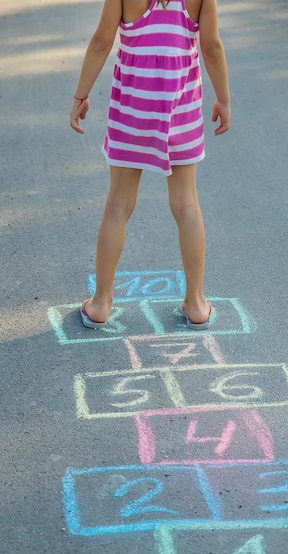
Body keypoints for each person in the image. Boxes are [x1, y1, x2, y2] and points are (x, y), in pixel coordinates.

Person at [69, 0, 231, 330]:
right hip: (179, 111)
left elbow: (102, 40)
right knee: (186, 204)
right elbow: (211, 45)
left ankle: (100, 303)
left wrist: (80, 95)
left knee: (118, 203)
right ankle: (197, 304)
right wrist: (223, 98)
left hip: (133, 112)